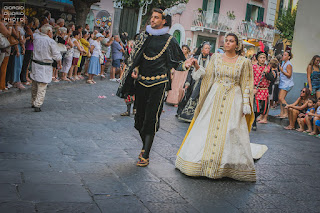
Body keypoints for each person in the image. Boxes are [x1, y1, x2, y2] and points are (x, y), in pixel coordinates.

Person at [175, 31, 268, 182]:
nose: (227, 43)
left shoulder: (244, 62)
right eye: (226, 40)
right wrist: (198, 65)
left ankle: (227, 166)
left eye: (231, 41)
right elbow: (207, 76)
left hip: (234, 98)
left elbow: (246, 84)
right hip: (215, 96)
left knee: (231, 129)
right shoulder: (216, 58)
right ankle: (199, 162)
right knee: (206, 127)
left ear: (237, 45)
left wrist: (245, 104)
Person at [117, 8, 192, 167]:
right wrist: (134, 69)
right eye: (152, 17)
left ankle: (146, 152)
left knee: (151, 119)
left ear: (164, 21)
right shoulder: (143, 37)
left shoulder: (170, 40)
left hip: (159, 84)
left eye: (156, 17)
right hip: (141, 83)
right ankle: (145, 145)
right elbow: (134, 58)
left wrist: (186, 65)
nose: (152, 20)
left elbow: (177, 62)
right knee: (139, 120)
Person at [30, 24, 62, 112]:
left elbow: (36, 31)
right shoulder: (50, 41)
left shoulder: (36, 37)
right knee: (42, 85)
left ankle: (33, 101)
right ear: (48, 32)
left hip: (35, 63)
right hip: (44, 65)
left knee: (34, 84)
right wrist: (59, 64)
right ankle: (37, 104)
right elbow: (57, 55)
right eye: (51, 32)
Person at [177, 42, 211, 122]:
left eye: (209, 48)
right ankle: (186, 115)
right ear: (202, 50)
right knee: (189, 97)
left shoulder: (211, 60)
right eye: (206, 48)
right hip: (194, 81)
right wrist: (187, 82)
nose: (208, 50)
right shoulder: (195, 58)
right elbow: (190, 72)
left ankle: (198, 117)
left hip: (205, 82)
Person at [252, 52, 275, 130]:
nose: (262, 59)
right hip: (256, 90)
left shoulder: (268, 68)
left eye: (263, 58)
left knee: (263, 110)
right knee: (257, 108)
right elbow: (250, 78)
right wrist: (252, 88)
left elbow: (272, 79)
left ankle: (254, 118)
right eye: (261, 58)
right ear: (258, 58)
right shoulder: (253, 67)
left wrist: (267, 73)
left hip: (265, 90)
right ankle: (254, 122)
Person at [278, 51, 294, 118]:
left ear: (289, 57)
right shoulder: (283, 63)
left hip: (286, 84)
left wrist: (282, 71)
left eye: (285, 55)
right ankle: (282, 113)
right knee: (280, 99)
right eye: (283, 55)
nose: (283, 56)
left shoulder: (288, 64)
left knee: (281, 98)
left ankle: (287, 112)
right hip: (283, 83)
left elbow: (289, 75)